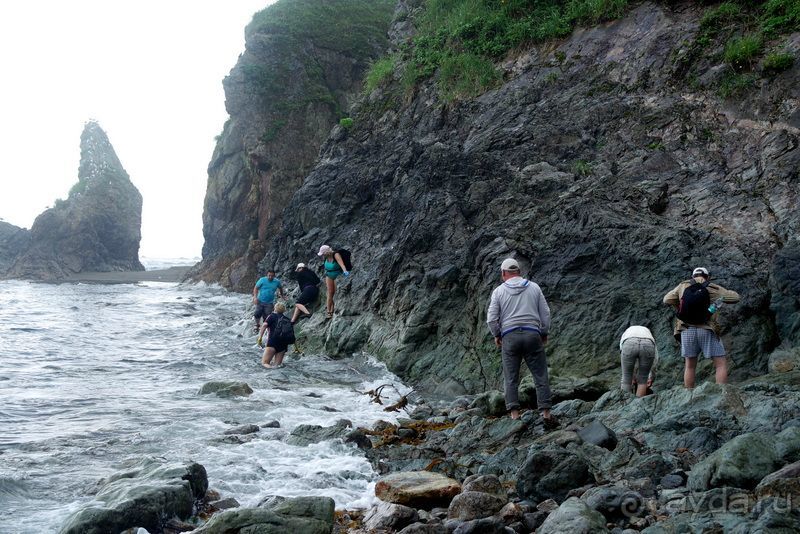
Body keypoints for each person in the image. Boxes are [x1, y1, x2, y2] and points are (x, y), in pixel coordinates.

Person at [487, 258, 557, 428]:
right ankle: (546, 414)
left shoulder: (498, 291)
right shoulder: (534, 287)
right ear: (518, 271)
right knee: (540, 375)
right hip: (532, 335)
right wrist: (544, 332)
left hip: (510, 337)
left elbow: (491, 319)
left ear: (503, 274)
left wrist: (497, 334)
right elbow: (545, 313)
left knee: (511, 378)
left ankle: (514, 415)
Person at [663, 267, 740, 388]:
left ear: (692, 276)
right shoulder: (712, 287)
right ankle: (722, 394)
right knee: (720, 364)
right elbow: (735, 298)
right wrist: (718, 296)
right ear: (707, 276)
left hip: (686, 329)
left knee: (690, 365)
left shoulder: (683, 286)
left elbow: (666, 299)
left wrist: (680, 305)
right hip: (707, 329)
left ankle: (689, 394)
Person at [619, 325, 659, 397]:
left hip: (628, 342)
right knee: (643, 380)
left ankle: (624, 405)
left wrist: (632, 377)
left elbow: (622, 352)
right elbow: (655, 360)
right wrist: (651, 377)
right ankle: (638, 406)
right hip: (648, 343)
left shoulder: (626, 333)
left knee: (626, 379)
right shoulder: (648, 333)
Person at [258, 302, 294, 368]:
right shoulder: (288, 319)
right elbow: (291, 333)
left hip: (272, 342)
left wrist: (260, 338)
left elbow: (265, 325)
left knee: (265, 363)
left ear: (275, 308)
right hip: (283, 345)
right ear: (284, 310)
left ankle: (269, 375)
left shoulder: (272, 316)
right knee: (277, 366)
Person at [318, 244, 350, 319]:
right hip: (329, 275)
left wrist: (345, 271)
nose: (322, 255)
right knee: (329, 292)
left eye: (323, 253)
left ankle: (334, 309)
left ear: (327, 252)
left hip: (337, 275)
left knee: (335, 292)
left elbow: (341, 264)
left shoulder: (336, 255)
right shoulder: (325, 257)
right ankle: (329, 311)